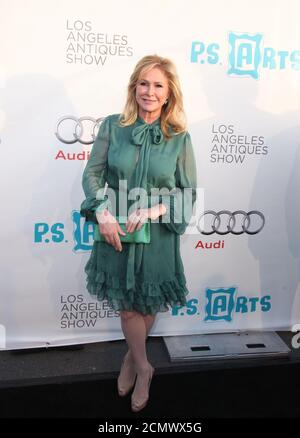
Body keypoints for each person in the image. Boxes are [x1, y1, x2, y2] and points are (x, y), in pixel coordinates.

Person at [80, 54, 197, 412]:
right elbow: (93, 175)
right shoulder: (113, 127)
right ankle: (145, 367)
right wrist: (101, 211)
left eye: (157, 85)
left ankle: (133, 358)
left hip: (158, 235)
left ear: (168, 94)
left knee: (146, 303)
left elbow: (189, 191)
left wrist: (156, 209)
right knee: (129, 308)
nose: (149, 91)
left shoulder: (179, 138)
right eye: (143, 83)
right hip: (116, 232)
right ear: (134, 87)